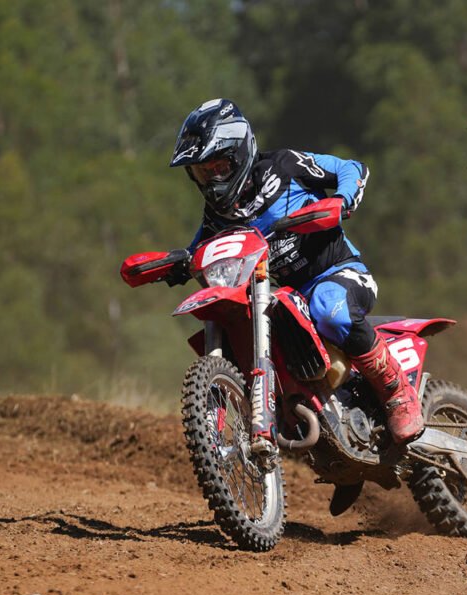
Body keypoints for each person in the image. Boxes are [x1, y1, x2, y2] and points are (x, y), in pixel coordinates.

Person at [165, 98, 423, 446]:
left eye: (217, 167)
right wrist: (173, 263)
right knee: (255, 323)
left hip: (340, 273)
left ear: (239, 154)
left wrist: (342, 200)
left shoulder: (283, 166)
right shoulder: (217, 217)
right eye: (201, 172)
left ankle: (397, 393)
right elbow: (201, 249)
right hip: (287, 296)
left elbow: (350, 168)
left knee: (329, 308)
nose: (210, 180)